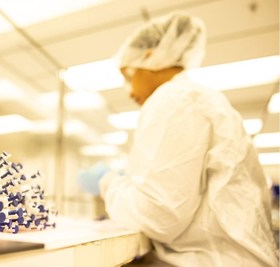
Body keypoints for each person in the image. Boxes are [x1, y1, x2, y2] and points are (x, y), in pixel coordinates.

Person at [85, 11, 278, 266]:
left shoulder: (173, 99)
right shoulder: (192, 98)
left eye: (129, 76)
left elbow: (159, 217)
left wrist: (109, 184)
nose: (130, 92)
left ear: (150, 57)